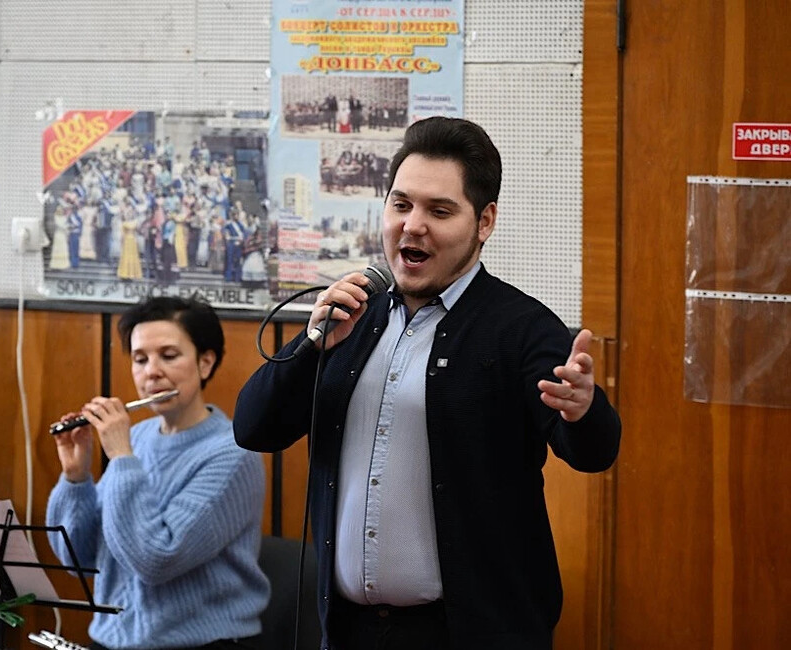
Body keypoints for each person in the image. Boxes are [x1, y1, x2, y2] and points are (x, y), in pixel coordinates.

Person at [233, 117, 622, 650]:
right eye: (401, 204)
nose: (412, 226)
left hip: (470, 633)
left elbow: (593, 452)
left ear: (484, 222)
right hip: (348, 630)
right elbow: (253, 428)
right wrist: (311, 347)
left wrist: (582, 409)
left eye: (439, 211)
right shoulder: (353, 315)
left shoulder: (522, 328)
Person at [47, 296, 269, 650]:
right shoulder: (137, 438)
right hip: (114, 638)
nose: (151, 372)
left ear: (205, 362)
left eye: (168, 355)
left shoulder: (233, 453)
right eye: (140, 359)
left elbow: (156, 560)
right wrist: (76, 479)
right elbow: (79, 559)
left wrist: (121, 456)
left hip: (200, 643)